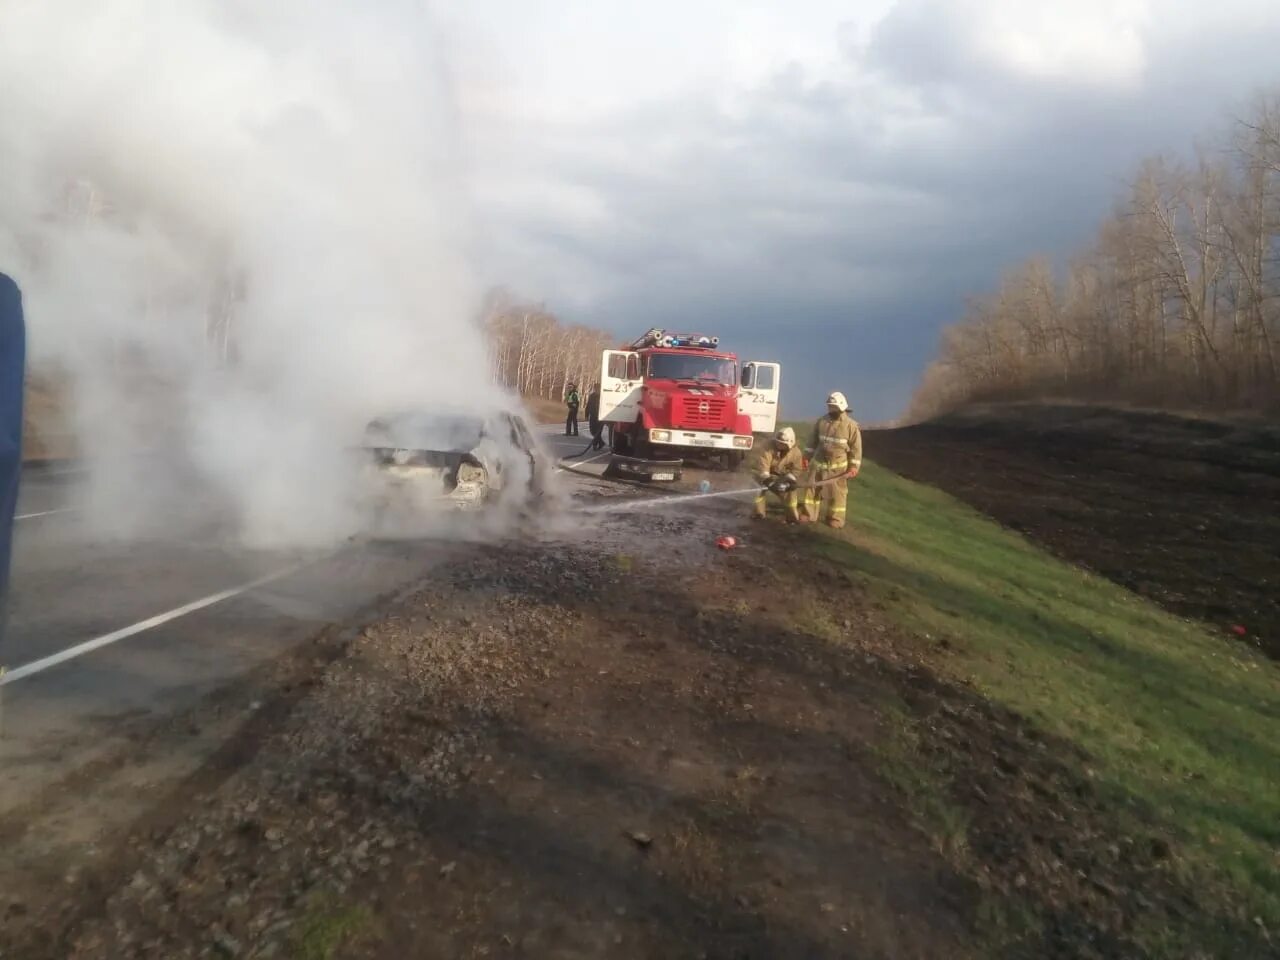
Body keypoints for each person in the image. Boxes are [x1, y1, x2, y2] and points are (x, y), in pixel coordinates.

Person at [799, 391, 861, 529]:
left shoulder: (851, 426)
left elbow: (856, 448)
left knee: (837, 494)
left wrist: (854, 466)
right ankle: (809, 514)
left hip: (838, 467)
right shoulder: (822, 422)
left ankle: (836, 519)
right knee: (811, 489)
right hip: (819, 463)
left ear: (841, 407)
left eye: (833, 407)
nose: (831, 409)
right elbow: (812, 441)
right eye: (829, 406)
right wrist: (806, 457)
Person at [752, 426, 805, 522]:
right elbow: (763, 465)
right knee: (757, 489)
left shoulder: (796, 453)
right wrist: (769, 481)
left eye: (782, 443)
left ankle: (792, 518)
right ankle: (758, 514)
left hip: (783, 477)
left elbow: (796, 470)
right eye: (777, 442)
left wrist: (789, 482)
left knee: (790, 495)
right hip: (766, 475)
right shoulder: (767, 447)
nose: (778, 444)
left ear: (790, 444)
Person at [585, 384, 605, 450]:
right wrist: (586, 415)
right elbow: (588, 406)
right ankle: (601, 442)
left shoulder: (603, 396)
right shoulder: (591, 396)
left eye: (598, 388)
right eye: (595, 388)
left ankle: (595, 445)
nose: (596, 390)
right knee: (592, 431)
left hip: (600, 417)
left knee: (597, 432)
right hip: (592, 416)